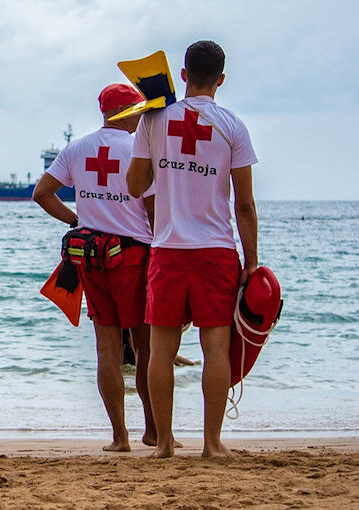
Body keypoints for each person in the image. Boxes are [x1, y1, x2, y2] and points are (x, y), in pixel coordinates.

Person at [126, 40, 259, 458]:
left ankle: (163, 443)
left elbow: (133, 186)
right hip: (217, 249)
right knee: (215, 347)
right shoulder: (233, 125)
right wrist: (251, 262)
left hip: (167, 248)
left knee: (161, 350)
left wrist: (153, 145)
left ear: (183, 75)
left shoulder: (153, 119)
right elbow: (244, 203)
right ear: (220, 79)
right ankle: (212, 444)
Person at [34, 83, 159, 451]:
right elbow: (152, 208)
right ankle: (152, 431)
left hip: (90, 254)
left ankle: (119, 437)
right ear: (127, 112)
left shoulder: (77, 148)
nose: (142, 116)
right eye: (138, 109)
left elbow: (42, 193)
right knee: (145, 347)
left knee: (106, 348)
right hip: (133, 255)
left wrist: (76, 220)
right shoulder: (139, 149)